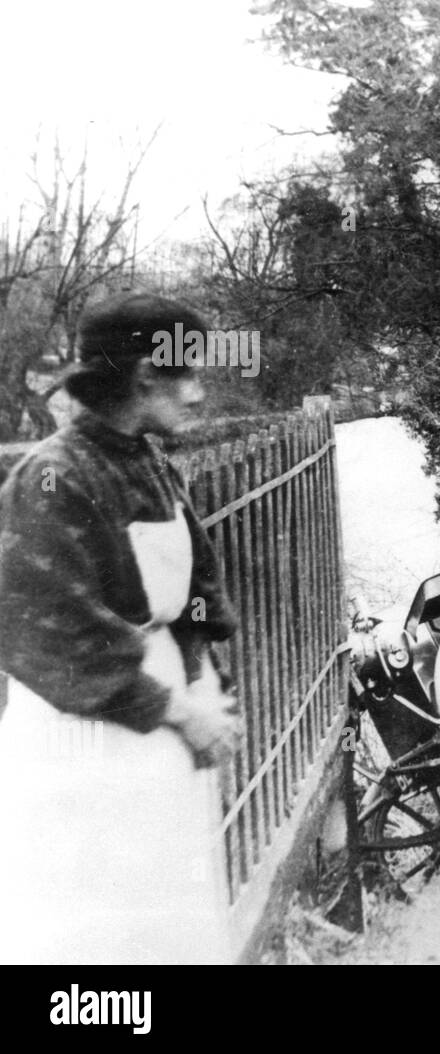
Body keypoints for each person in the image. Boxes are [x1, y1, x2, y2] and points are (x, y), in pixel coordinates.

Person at [0, 293, 242, 963]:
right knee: (101, 935)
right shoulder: (54, 478)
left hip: (156, 726)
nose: (197, 394)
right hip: (85, 738)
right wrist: (179, 711)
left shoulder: (150, 464)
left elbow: (197, 595)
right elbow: (50, 636)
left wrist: (206, 681)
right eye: (189, 373)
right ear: (144, 377)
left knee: (170, 926)